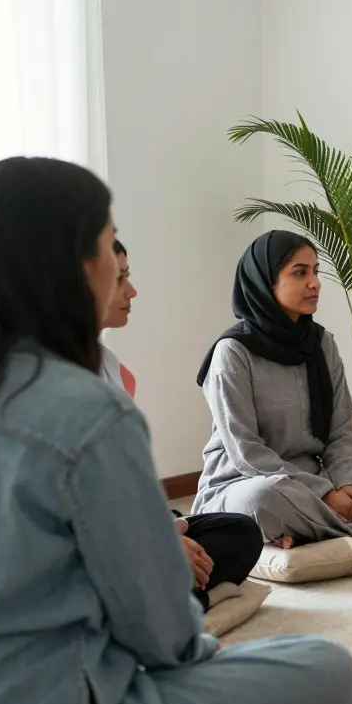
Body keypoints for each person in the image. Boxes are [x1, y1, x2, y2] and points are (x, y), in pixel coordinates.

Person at [0, 157, 352, 704]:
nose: (127, 281)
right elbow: (162, 635)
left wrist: (340, 480)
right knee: (326, 667)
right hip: (67, 698)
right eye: (110, 245)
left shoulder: (323, 346)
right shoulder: (93, 412)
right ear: (74, 265)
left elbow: (342, 432)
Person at [193, 230, 352, 548]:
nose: (315, 282)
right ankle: (346, 526)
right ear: (266, 282)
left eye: (315, 271)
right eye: (300, 272)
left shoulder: (322, 344)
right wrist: (324, 493)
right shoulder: (233, 351)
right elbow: (246, 453)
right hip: (245, 483)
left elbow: (341, 433)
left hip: (318, 484)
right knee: (264, 498)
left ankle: (307, 529)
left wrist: (346, 484)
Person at [101, 240, 265, 611]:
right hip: (91, 544)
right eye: (119, 279)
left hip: (131, 531)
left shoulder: (111, 367)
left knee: (239, 532)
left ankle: (172, 595)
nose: (133, 290)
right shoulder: (232, 351)